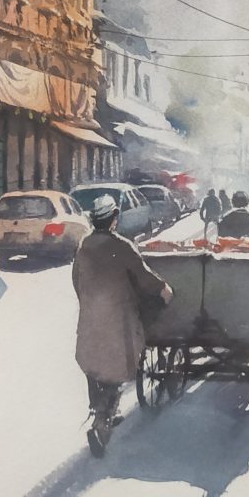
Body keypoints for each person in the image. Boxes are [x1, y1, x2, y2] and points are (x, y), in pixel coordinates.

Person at [73, 195, 173, 457]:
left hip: (90, 319)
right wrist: (163, 289)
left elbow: (77, 282)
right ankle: (101, 423)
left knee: (93, 366)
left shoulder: (84, 246)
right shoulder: (122, 246)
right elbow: (143, 275)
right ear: (114, 219)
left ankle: (100, 409)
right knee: (116, 367)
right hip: (117, 319)